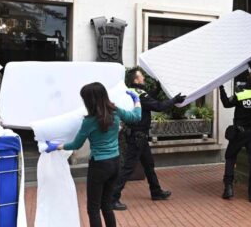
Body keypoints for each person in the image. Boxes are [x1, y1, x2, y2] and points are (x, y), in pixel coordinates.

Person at [52, 82, 142, 227]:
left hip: (99, 165)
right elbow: (136, 117)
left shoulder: (89, 122)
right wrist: (136, 100)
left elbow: (75, 145)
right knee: (106, 204)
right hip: (115, 162)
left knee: (93, 208)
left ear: (89, 101)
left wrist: (57, 146)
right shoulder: (115, 111)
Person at [111, 68, 186, 211]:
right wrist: (175, 100)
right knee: (128, 168)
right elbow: (157, 106)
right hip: (138, 136)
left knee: (149, 165)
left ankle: (156, 191)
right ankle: (112, 198)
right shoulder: (140, 94)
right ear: (135, 80)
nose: (144, 78)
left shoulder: (132, 91)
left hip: (139, 136)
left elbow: (147, 100)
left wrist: (157, 89)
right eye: (141, 76)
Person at [219, 68, 251, 202]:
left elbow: (226, 103)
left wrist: (221, 88)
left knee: (230, 156)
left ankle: (228, 188)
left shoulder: (240, 94)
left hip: (240, 133)